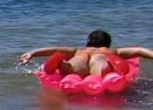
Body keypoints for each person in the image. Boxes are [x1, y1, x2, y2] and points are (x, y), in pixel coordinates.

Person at [18, 30, 153, 77]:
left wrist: (32, 53)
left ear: (88, 42)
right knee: (100, 65)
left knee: (72, 66)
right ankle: (107, 68)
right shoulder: (111, 51)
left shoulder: (79, 50)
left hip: (80, 58)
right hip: (101, 58)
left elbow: (54, 49)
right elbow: (139, 51)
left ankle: (62, 64)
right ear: (108, 43)